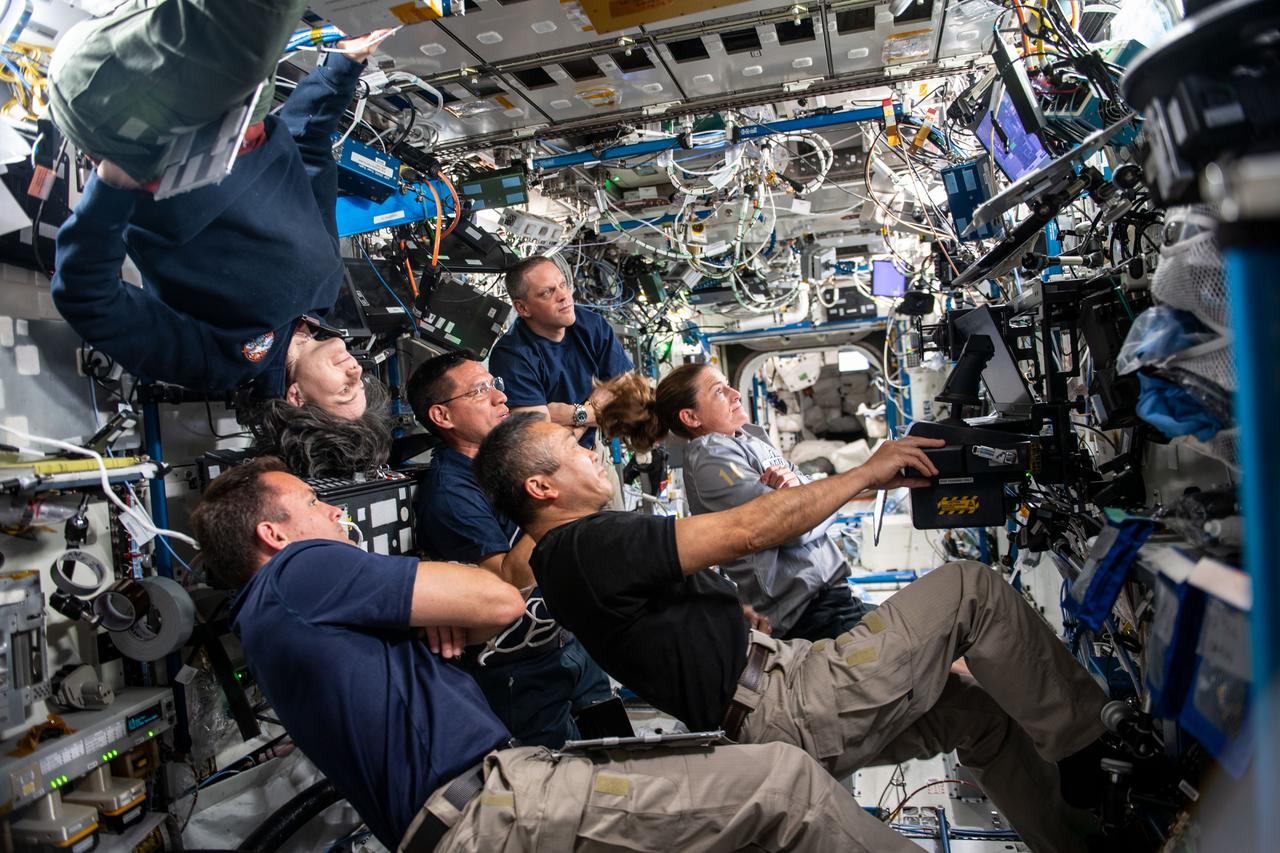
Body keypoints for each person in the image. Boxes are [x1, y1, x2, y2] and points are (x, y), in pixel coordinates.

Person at [192, 456, 927, 853]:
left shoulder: (286, 616)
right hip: (490, 811)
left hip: (479, 814)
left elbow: (473, 615)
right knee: (781, 785)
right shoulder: (301, 573)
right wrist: (447, 602)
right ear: (273, 535)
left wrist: (430, 613)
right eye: (313, 503)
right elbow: (497, 602)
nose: (335, 511)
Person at [473, 413, 1111, 853]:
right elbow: (748, 530)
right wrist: (866, 473)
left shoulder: (570, 556)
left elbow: (655, 614)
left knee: (981, 718)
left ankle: (1089, 843)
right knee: (969, 589)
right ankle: (1093, 746)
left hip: (774, 691)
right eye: (575, 447)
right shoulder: (587, 543)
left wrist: (727, 618)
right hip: (790, 702)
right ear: (541, 486)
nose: (592, 450)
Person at [48, 1, 392, 417]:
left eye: (343, 392)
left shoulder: (220, 363)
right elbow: (308, 151)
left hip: (145, 129)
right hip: (245, 103)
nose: (357, 373)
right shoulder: (323, 292)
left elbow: (89, 299)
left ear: (296, 398)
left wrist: (113, 188)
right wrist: (343, 67)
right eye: (362, 383)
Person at [406, 351, 612, 748]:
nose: (500, 397)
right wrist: (559, 503)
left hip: (568, 642)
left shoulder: (501, 465)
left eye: (494, 384)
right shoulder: (451, 491)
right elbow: (506, 578)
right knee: (563, 784)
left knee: (614, 756)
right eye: (480, 391)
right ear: (443, 417)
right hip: (519, 669)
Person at [599, 365, 875, 642]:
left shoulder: (749, 438)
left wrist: (804, 497)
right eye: (719, 391)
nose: (735, 394)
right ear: (691, 417)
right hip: (810, 615)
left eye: (729, 383)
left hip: (832, 598)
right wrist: (808, 502)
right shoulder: (711, 457)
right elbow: (797, 525)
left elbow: (816, 505)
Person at [487, 256, 632, 448]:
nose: (563, 295)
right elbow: (539, 438)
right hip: (552, 465)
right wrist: (597, 411)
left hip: (594, 449)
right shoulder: (511, 356)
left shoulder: (591, 324)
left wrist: (576, 414)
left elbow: (629, 394)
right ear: (523, 308)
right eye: (548, 292)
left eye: (563, 284)